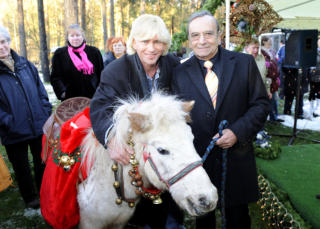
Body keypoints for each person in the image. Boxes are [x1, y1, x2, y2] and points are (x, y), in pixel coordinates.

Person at [172, 11, 270, 229]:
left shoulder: (244, 63)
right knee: (203, 219)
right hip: (199, 162)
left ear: (219, 35)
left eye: (208, 33)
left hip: (236, 160)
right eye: (195, 35)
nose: (202, 40)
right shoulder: (179, 72)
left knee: (238, 218)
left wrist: (237, 132)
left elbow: (261, 104)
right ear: (189, 39)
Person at [89, 14, 183, 229]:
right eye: (145, 41)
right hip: (134, 149)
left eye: (157, 42)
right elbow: (100, 106)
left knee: (166, 192)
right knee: (139, 200)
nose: (151, 48)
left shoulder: (174, 65)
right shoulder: (115, 70)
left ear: (165, 44)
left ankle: (171, 220)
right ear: (133, 42)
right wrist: (111, 137)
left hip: (164, 147)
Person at [0, 26, 52, 209]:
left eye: (3, 41)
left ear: (8, 42)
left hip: (37, 124)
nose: (1, 47)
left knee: (42, 163)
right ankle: (30, 197)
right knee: (21, 167)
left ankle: (44, 191)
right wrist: (8, 122)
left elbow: (41, 91)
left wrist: (45, 110)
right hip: (13, 130)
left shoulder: (25, 64)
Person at [50, 24, 103, 101]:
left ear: (83, 37)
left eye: (78, 35)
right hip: (70, 99)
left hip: (92, 98)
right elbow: (55, 77)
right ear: (67, 38)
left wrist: (99, 92)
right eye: (72, 36)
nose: (75, 38)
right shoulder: (60, 54)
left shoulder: (94, 52)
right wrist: (62, 92)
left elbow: (101, 74)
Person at [261, 36, 283, 122]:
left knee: (274, 99)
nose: (270, 43)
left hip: (273, 79)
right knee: (270, 99)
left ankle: (274, 116)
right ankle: (270, 117)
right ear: (263, 42)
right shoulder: (262, 52)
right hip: (267, 79)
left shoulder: (272, 51)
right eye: (269, 41)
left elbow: (275, 63)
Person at [308, 37, 320, 118]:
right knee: (312, 92)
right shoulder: (314, 52)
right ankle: (311, 110)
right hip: (314, 75)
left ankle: (317, 109)